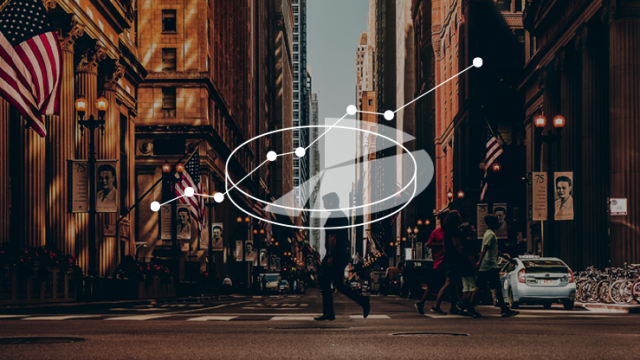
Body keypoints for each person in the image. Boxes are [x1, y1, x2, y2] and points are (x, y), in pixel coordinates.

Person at [315, 192, 370, 321]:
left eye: (325, 202)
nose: (324, 205)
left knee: (325, 282)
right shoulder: (340, 215)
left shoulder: (335, 216)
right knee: (336, 284)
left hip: (336, 255)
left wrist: (330, 256)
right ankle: (361, 301)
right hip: (341, 254)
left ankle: (329, 312)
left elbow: (333, 237)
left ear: (332, 202)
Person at [476, 214, 519, 317]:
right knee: (489, 287)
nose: (498, 223)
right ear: (492, 222)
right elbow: (485, 249)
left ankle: (504, 309)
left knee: (483, 286)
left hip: (488, 265)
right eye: (496, 221)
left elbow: (493, 249)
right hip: (489, 265)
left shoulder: (488, 234)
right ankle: (468, 305)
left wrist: (505, 256)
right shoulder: (490, 234)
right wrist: (479, 262)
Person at [431, 211, 464, 315]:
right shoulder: (454, 230)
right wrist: (465, 253)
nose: (460, 218)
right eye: (459, 216)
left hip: (448, 259)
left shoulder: (447, 231)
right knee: (449, 283)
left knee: (456, 284)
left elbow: (445, 247)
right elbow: (457, 245)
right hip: (453, 260)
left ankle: (457, 306)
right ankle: (437, 305)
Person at [415, 212, 448, 314]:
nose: (443, 222)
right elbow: (429, 244)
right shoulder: (436, 232)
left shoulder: (451, 232)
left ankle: (453, 306)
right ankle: (423, 303)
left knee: (450, 284)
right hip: (439, 262)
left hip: (448, 262)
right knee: (434, 285)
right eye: (441, 220)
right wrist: (441, 245)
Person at [459, 222, 481, 317]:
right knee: (473, 288)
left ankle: (463, 307)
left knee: (466, 288)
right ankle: (469, 307)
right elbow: (470, 256)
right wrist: (474, 266)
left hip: (463, 267)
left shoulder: (464, 241)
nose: (475, 230)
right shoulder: (469, 242)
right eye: (473, 228)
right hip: (469, 268)